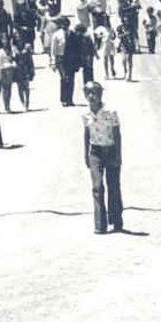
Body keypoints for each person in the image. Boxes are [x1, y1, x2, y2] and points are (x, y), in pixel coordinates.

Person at [81, 82, 123, 234]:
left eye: (95, 93)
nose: (91, 96)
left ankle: (116, 220)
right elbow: (86, 136)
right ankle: (100, 224)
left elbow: (117, 135)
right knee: (97, 187)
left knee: (113, 186)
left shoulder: (110, 112)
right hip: (96, 153)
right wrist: (86, 155)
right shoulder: (85, 116)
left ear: (100, 95)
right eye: (88, 93)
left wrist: (118, 155)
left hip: (110, 150)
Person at [13, 24, 36, 110]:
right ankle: (22, 102)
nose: (18, 37)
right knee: (20, 87)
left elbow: (30, 59)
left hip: (26, 68)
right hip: (17, 69)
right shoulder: (13, 48)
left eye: (19, 35)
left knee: (26, 87)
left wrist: (32, 70)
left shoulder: (27, 46)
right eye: (16, 36)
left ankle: (27, 102)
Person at [52, 17, 75, 106]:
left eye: (67, 24)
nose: (65, 26)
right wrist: (53, 62)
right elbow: (53, 49)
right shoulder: (57, 35)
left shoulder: (72, 33)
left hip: (70, 59)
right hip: (61, 59)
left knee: (71, 79)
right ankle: (64, 99)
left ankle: (70, 99)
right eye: (64, 24)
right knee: (64, 78)